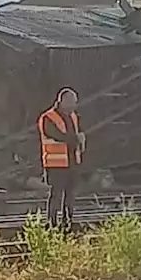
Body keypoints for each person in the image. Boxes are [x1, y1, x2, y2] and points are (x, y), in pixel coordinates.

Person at [37, 88, 85, 229]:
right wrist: (76, 139)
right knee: (56, 195)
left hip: (72, 163)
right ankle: (51, 223)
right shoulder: (48, 118)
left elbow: (76, 135)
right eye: (71, 102)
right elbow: (57, 136)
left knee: (70, 195)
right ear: (62, 101)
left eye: (74, 103)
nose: (73, 106)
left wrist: (79, 142)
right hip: (55, 164)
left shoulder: (73, 116)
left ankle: (67, 222)